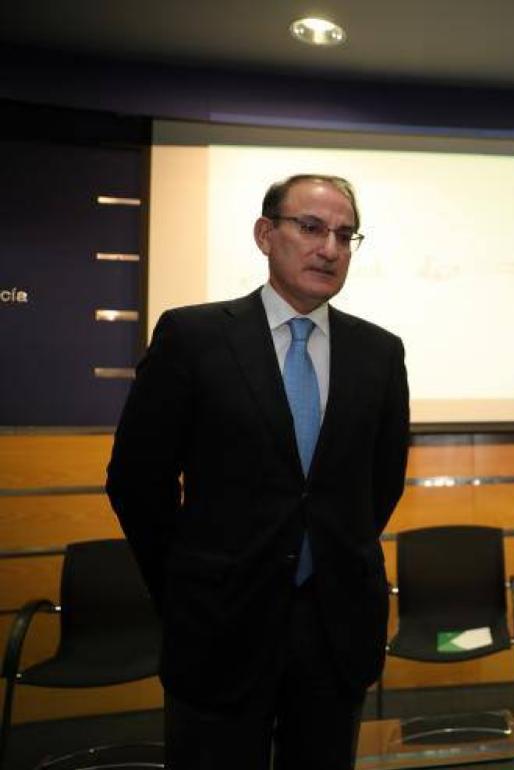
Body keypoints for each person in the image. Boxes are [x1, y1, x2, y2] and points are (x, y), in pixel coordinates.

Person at [106, 174, 410, 769]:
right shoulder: (193, 337)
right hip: (217, 625)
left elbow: (381, 485)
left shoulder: (380, 352)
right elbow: (137, 482)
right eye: (312, 228)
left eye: (345, 235)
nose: (330, 248)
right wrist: (184, 583)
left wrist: (329, 550)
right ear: (265, 234)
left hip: (334, 628)